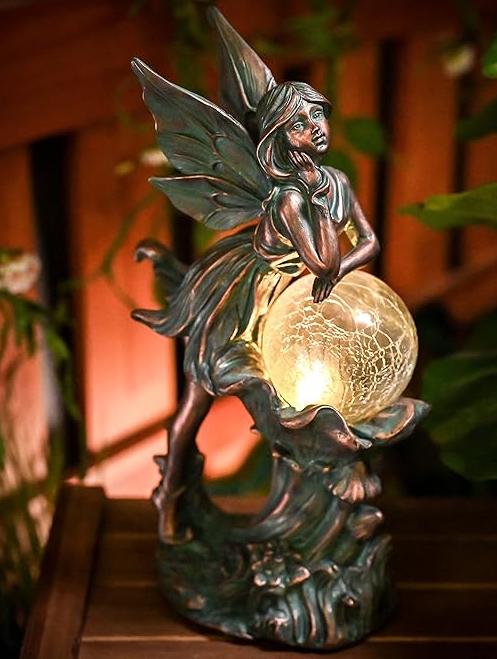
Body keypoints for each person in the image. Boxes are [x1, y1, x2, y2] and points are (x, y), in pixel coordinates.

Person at [134, 80, 378, 541]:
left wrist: (338, 271)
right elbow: (321, 261)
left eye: (318, 115)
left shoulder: (337, 182)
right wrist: (324, 224)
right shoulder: (289, 199)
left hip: (296, 298)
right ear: (280, 139)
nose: (315, 128)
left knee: (303, 399)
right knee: (198, 398)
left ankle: (311, 512)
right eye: (299, 124)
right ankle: (170, 491)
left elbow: (368, 243)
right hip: (245, 298)